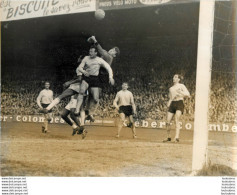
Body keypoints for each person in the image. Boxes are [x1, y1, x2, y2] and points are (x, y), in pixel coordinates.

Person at [83, 36, 120, 122]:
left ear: (114, 54)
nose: (111, 49)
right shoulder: (107, 55)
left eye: (113, 50)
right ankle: (88, 113)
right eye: (112, 49)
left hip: (100, 79)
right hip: (95, 76)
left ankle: (90, 113)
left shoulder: (109, 57)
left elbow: (100, 50)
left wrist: (94, 40)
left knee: (95, 98)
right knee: (91, 96)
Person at [74, 46, 115, 115]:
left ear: (96, 53)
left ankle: (90, 112)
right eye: (90, 51)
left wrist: (111, 77)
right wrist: (84, 72)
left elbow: (108, 68)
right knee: (81, 91)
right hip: (87, 77)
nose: (90, 53)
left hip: (95, 79)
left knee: (96, 99)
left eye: (92, 52)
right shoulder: (86, 58)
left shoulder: (99, 60)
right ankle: (77, 110)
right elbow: (79, 68)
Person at [163, 74, 190, 143]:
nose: (173, 78)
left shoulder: (181, 86)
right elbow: (171, 98)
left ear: (178, 79)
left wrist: (180, 92)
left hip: (179, 103)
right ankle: (168, 137)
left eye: (175, 77)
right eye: (173, 77)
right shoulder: (171, 89)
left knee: (176, 119)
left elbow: (188, 94)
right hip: (173, 104)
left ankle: (177, 137)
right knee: (167, 121)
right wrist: (169, 103)